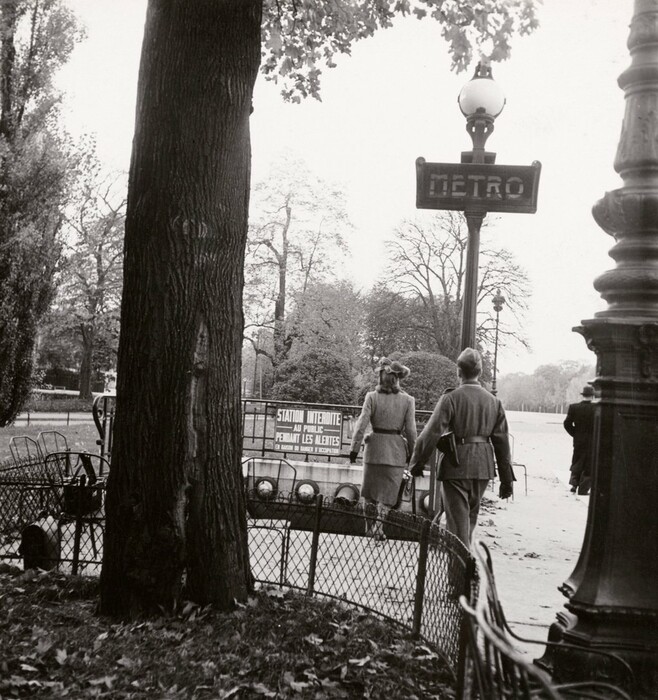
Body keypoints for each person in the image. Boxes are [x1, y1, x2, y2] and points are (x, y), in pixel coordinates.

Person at [409, 348, 515, 547]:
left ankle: (462, 575)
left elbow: (431, 433)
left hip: (456, 467)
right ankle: (467, 567)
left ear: (458, 371)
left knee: (457, 529)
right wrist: (506, 480)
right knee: (469, 522)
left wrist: (416, 463)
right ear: (480, 372)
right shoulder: (494, 402)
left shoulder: (451, 398)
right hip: (482, 468)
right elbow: (502, 443)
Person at [349, 358, 417, 541]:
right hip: (395, 453)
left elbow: (361, 423)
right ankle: (379, 528)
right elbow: (411, 431)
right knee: (387, 496)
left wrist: (354, 449)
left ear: (380, 377)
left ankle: (367, 528)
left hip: (373, 451)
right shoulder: (408, 400)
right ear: (398, 379)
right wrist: (413, 455)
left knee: (369, 493)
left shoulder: (371, 397)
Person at [563, 385, 595, 495]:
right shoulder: (597, 408)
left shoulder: (574, 407)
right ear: (592, 396)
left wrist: (575, 434)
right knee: (589, 464)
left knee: (577, 460)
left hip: (578, 440)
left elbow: (567, 423)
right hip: (592, 440)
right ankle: (583, 488)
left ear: (583, 395)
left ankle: (573, 484)